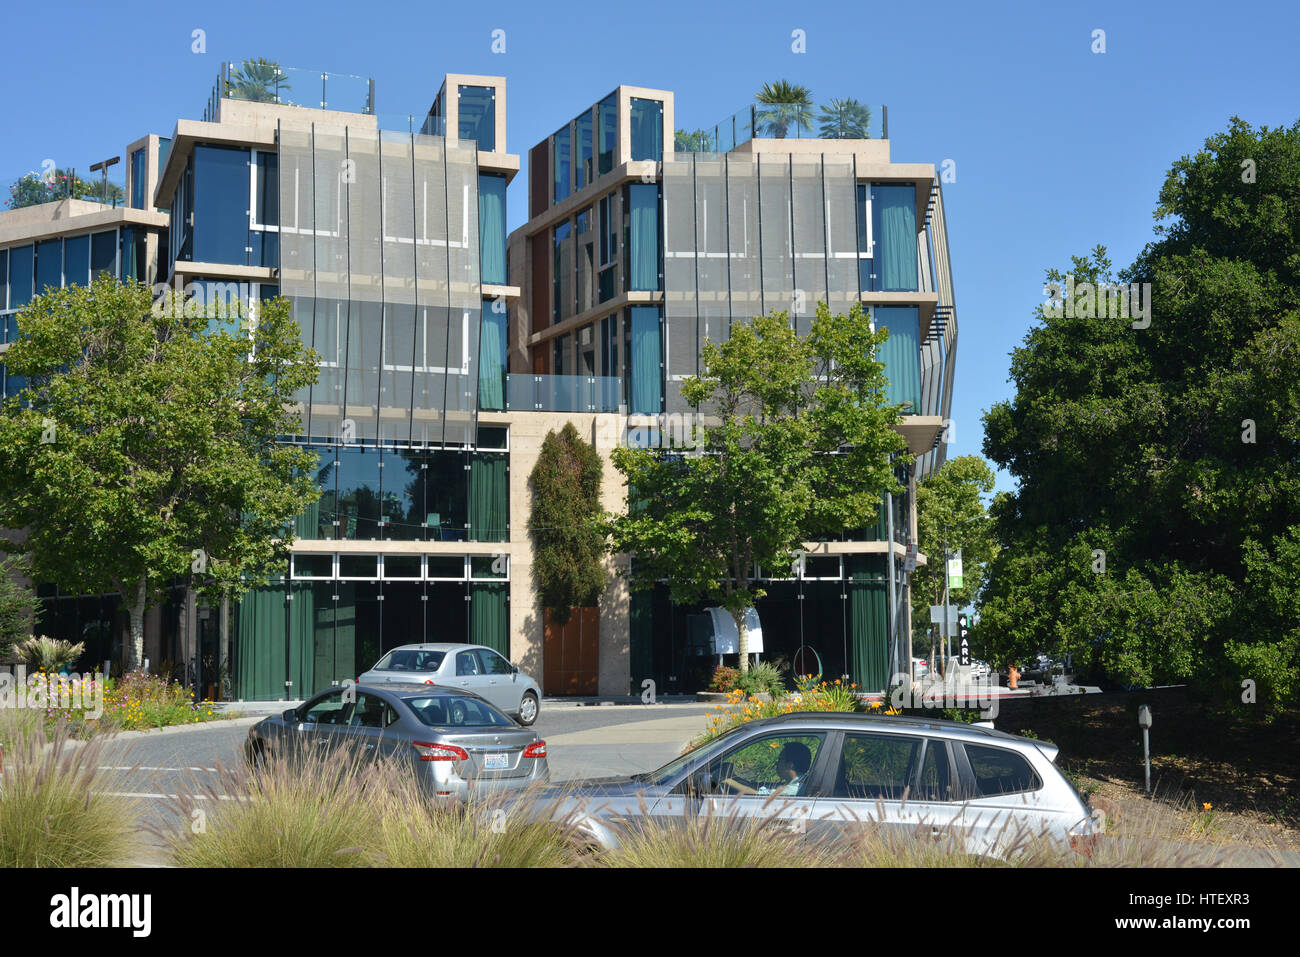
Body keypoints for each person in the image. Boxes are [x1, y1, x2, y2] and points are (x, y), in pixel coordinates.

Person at [721, 742, 812, 796]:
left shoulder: (794, 789)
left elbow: (759, 795)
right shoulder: (797, 782)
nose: (777, 763)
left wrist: (728, 781)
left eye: (780, 759)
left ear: (790, 765)